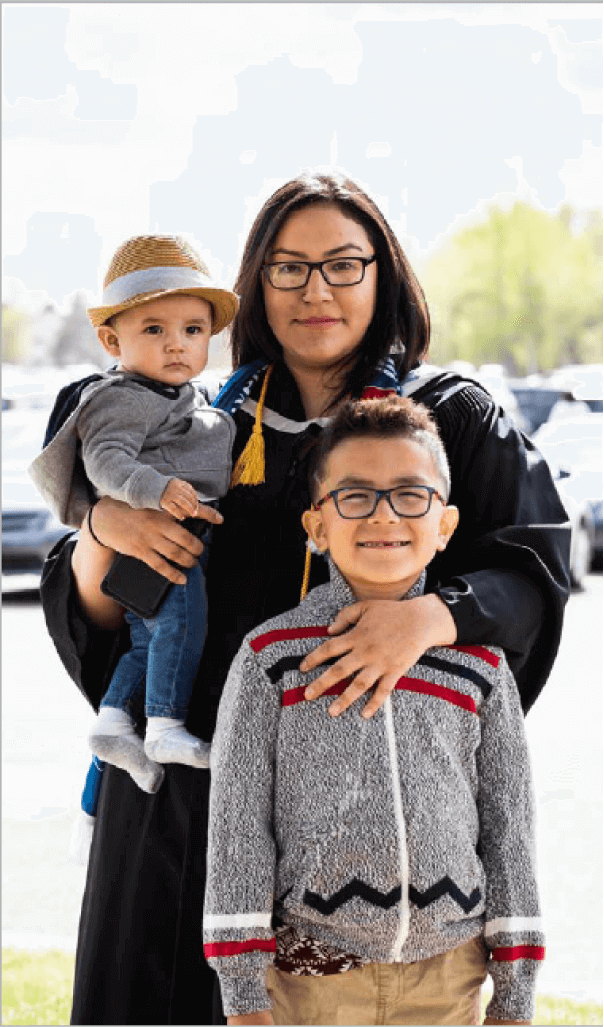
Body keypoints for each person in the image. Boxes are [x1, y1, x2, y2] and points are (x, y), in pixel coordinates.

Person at [39, 171, 570, 1026]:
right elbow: (101, 618)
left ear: (384, 276)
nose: (315, 288)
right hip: (182, 803)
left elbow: (529, 576)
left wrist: (426, 620)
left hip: (356, 828)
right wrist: (104, 528)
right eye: (287, 268)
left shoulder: (446, 420)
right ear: (255, 287)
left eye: (342, 264)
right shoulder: (196, 419)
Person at [204, 395, 544, 1026]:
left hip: (450, 975)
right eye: (355, 496)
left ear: (445, 525)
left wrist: (517, 986)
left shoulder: (484, 669)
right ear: (317, 526)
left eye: (411, 495)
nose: (383, 514)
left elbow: (510, 829)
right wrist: (243, 990)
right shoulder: (270, 659)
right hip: (309, 978)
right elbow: (238, 829)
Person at [31, 235, 239, 790]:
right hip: (154, 533)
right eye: (154, 329)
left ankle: (115, 722)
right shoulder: (119, 395)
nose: (177, 345)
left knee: (149, 638)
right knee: (182, 621)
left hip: (167, 530)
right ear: (110, 340)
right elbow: (105, 461)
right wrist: (156, 488)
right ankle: (167, 723)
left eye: (193, 330)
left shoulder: (187, 396)